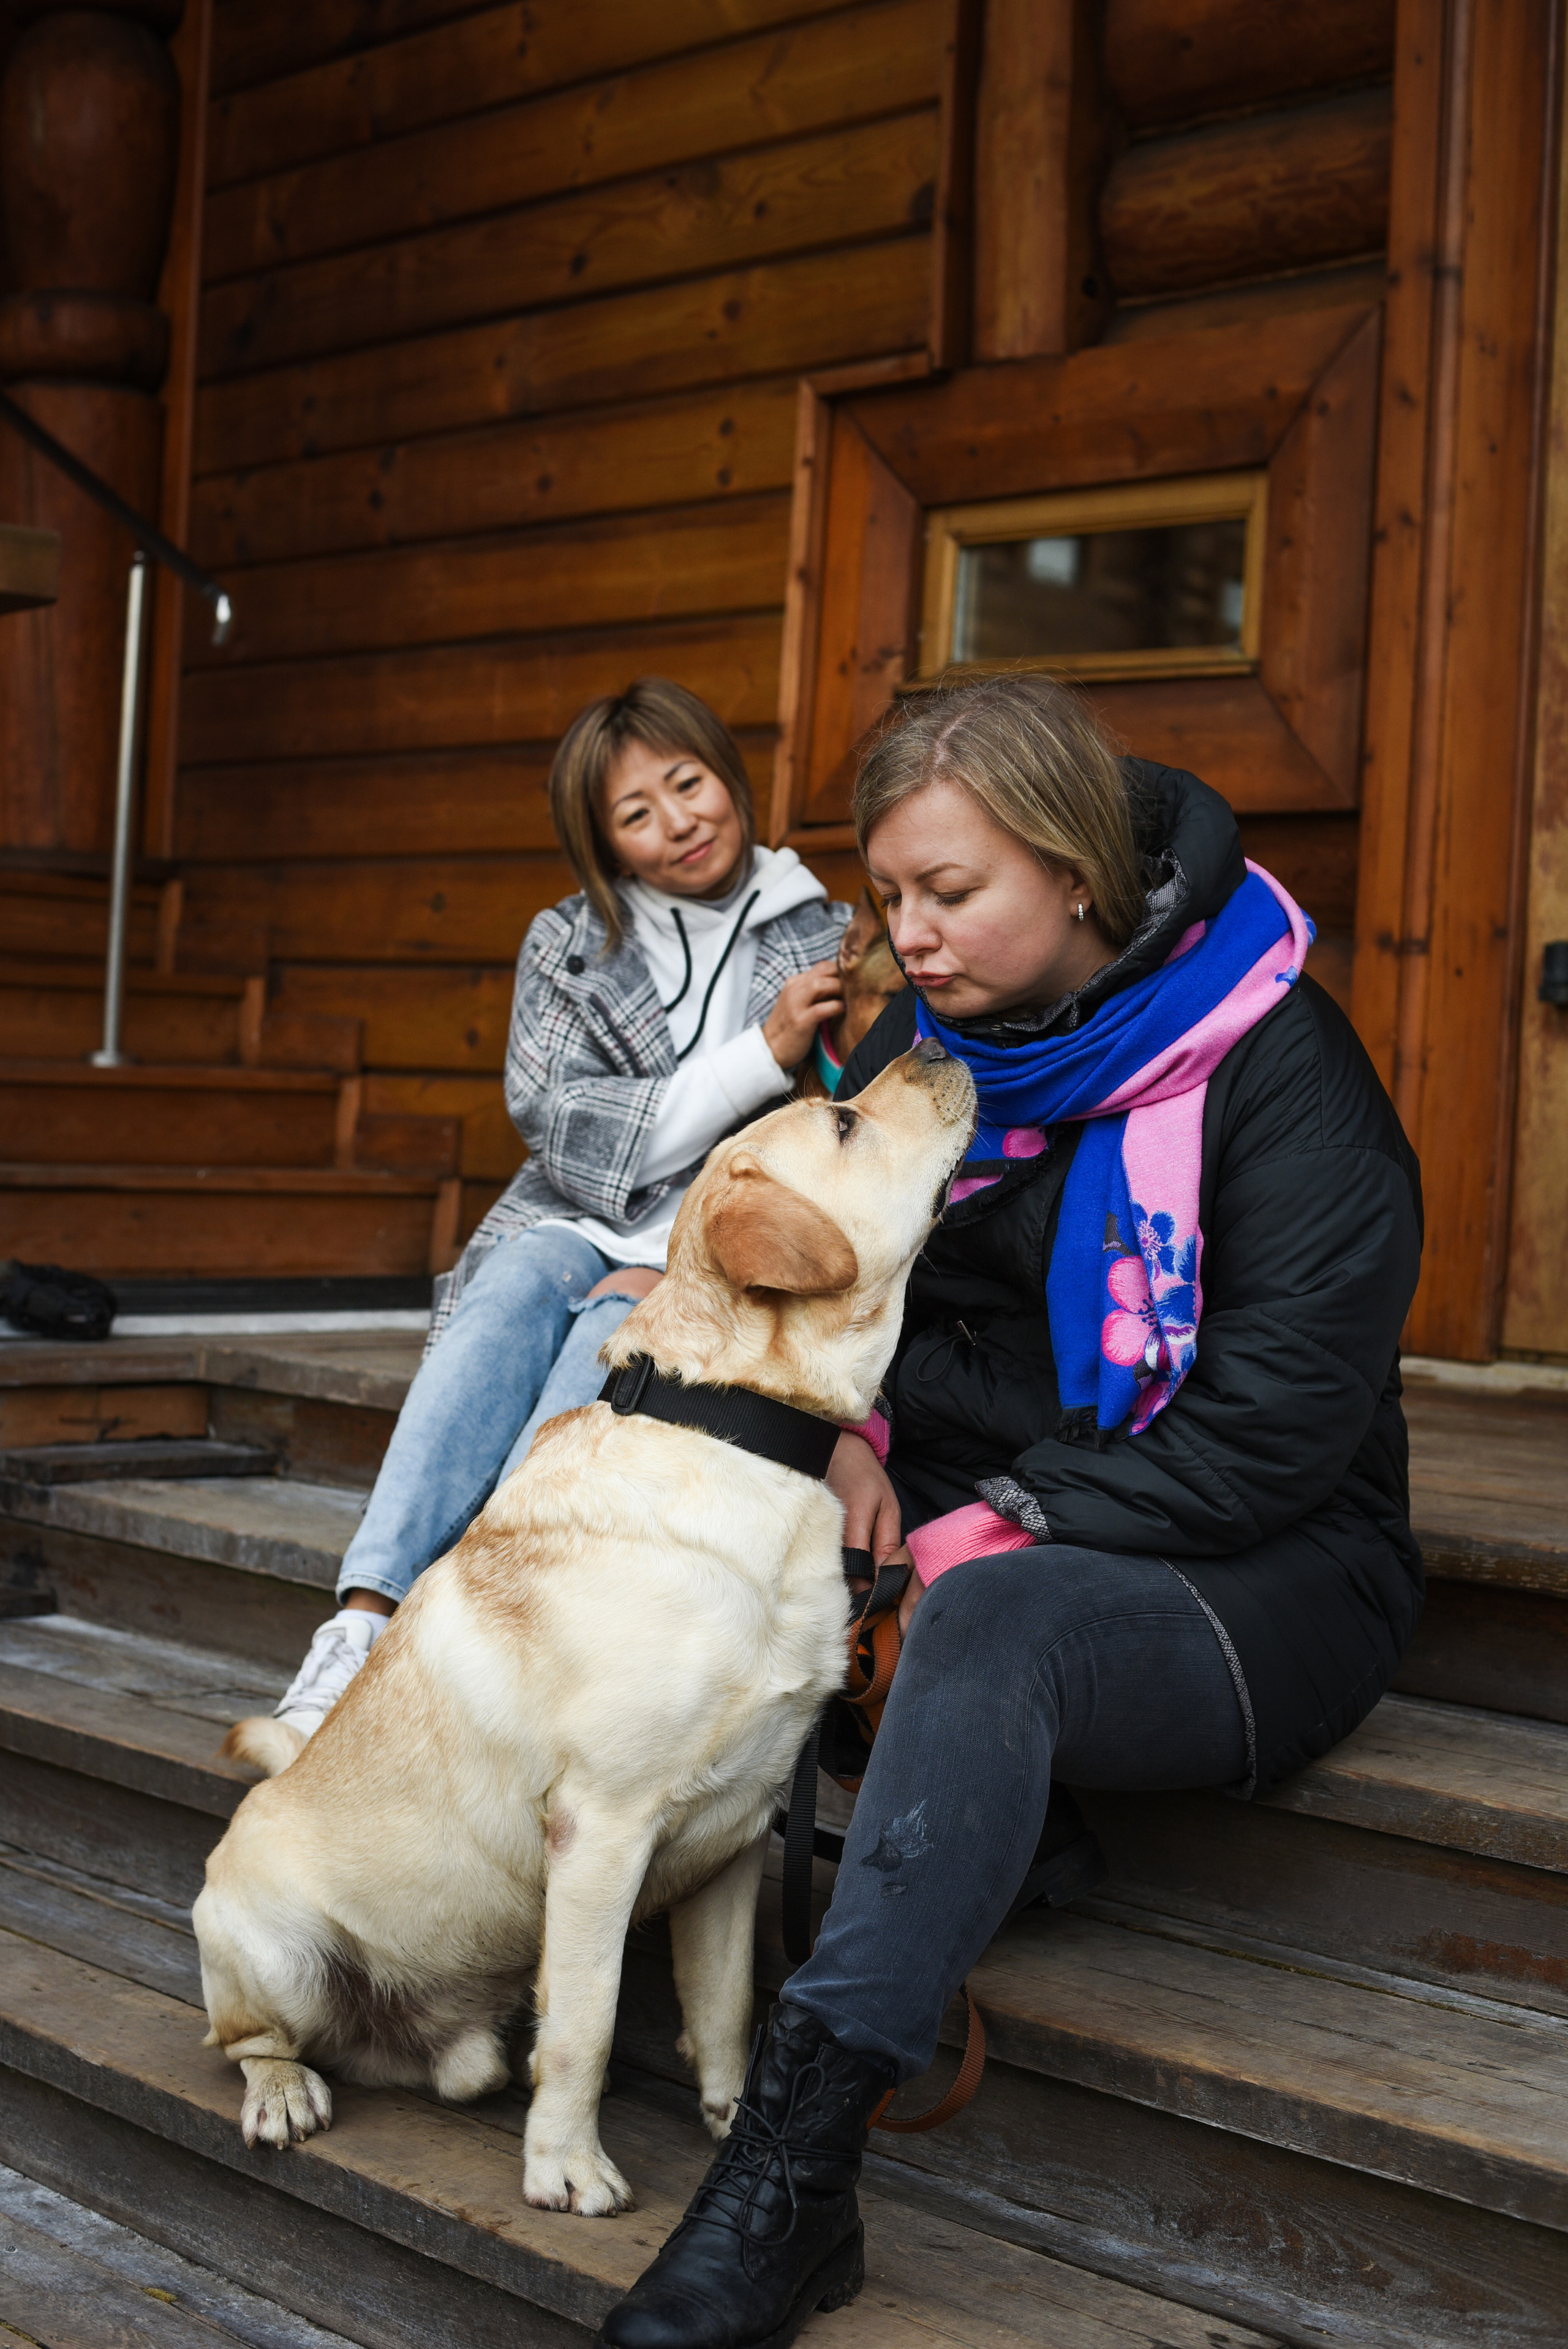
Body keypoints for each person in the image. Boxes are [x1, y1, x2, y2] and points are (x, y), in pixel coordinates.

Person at [600, 673, 1424, 2349]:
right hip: (977, 1496)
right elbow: (870, 1311)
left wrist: (1011, 1519)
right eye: (891, 893)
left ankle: (795, 2167)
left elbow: (1278, 1429)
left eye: (951, 893)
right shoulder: (938, 1042)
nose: (908, 936)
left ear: (1073, 872)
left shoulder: (1278, 1064)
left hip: (1264, 1562)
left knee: (983, 1617)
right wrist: (850, 1441)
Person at [272, 679, 850, 1739]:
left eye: (690, 783)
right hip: (577, 1212)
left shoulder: (831, 936)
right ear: (606, 843)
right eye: (637, 812)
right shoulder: (570, 941)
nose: (678, 821)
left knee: (604, 1330)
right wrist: (758, 1055)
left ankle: (471, 1641)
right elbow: (562, 1122)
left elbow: (837, 1130)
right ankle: (361, 1621)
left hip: (716, 1245)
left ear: (730, 775)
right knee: (522, 1278)